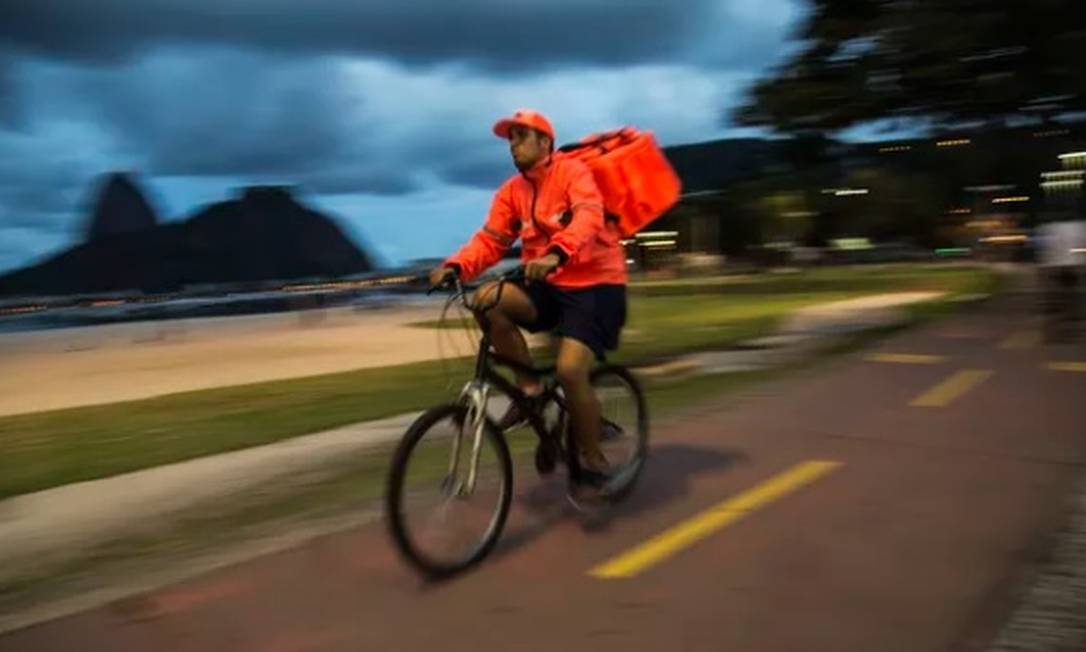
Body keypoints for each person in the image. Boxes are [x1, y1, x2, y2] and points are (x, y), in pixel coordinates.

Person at [429, 109, 627, 491]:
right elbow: (490, 241)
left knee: (571, 371)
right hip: (549, 285)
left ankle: (594, 458)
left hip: (595, 284)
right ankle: (530, 394)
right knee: (485, 298)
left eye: (521, 137)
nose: (513, 146)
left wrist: (557, 252)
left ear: (545, 142)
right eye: (510, 139)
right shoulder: (511, 192)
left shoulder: (572, 173)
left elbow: (588, 216)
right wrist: (456, 266)